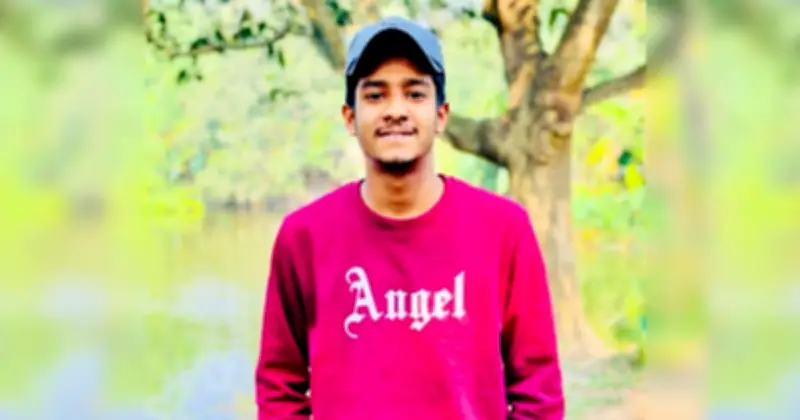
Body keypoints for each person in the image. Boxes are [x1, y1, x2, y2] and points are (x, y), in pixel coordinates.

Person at [255, 15, 564, 420]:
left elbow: (538, 389)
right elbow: (279, 384)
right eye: (376, 95)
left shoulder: (503, 229)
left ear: (441, 115)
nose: (396, 110)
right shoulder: (304, 237)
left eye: (415, 93)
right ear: (350, 117)